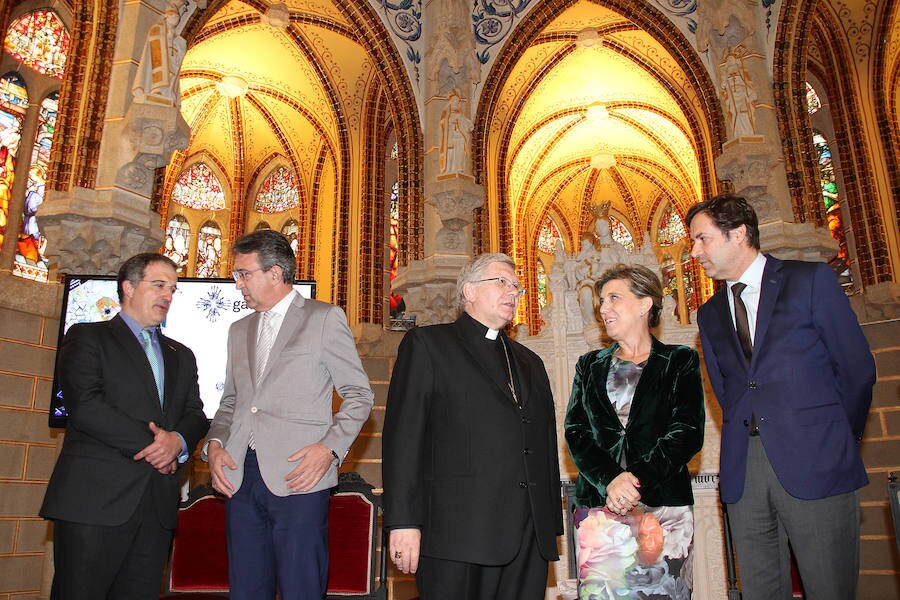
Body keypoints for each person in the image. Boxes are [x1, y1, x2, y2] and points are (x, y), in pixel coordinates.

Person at [686, 194, 875, 600]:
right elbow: (727, 392)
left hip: (817, 460)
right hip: (745, 472)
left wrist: (838, 442)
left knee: (829, 588)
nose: (694, 251)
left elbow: (856, 370)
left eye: (702, 239)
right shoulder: (710, 312)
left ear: (738, 234)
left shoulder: (809, 280)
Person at [204, 229, 374, 600]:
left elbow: (360, 395)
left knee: (301, 588)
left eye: (244, 274)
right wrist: (214, 444)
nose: (238, 284)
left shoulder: (324, 318)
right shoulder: (238, 329)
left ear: (275, 273)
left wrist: (329, 449)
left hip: (300, 475)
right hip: (239, 477)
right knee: (246, 589)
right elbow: (231, 401)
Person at [383, 252, 563, 600]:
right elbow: (403, 440)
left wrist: (548, 525)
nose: (512, 292)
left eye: (517, 286)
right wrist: (404, 522)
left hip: (528, 536)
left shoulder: (531, 362)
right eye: (501, 282)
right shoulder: (428, 345)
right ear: (468, 291)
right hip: (457, 534)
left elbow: (541, 445)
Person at [40, 253, 209, 600]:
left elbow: (195, 413)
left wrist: (177, 441)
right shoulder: (88, 337)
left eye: (173, 290)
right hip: (95, 502)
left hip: (156, 506)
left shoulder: (183, 354)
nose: (168, 296)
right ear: (128, 287)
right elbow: (85, 406)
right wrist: (158, 446)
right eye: (159, 285)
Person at [565, 263, 704, 599]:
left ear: (646, 304)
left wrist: (635, 481)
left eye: (614, 298)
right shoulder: (588, 365)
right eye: (601, 301)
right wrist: (611, 479)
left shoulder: (680, 360)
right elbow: (576, 431)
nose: (603, 308)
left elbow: (686, 431)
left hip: (664, 512)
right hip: (601, 510)